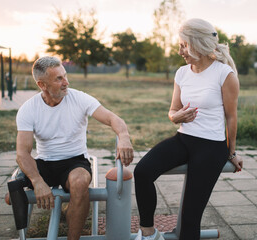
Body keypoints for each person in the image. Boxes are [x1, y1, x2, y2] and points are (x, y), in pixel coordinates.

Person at [134, 18, 243, 240]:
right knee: (142, 172)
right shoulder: (182, 73)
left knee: (190, 216)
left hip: (211, 147)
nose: (180, 50)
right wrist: (177, 116)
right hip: (183, 139)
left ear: (199, 44)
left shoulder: (224, 74)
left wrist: (231, 152)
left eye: (184, 45)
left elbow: (231, 117)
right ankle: (148, 233)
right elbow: (173, 110)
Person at [15, 56, 134, 240]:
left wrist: (124, 136)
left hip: (75, 161)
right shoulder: (29, 109)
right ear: (42, 85)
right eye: (59, 79)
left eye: (65, 75)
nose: (66, 82)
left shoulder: (79, 98)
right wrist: (38, 182)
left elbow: (112, 119)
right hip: (45, 162)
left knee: (79, 183)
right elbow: (22, 153)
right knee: (13, 192)